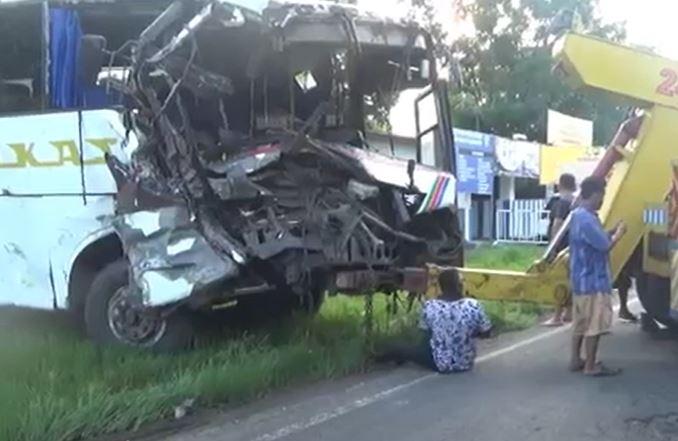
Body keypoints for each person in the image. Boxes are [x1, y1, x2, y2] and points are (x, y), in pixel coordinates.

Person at [377, 269, 492, 373]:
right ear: (460, 285)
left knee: (401, 348)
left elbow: (424, 334)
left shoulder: (430, 306)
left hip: (439, 363)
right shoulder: (473, 305)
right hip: (465, 363)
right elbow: (486, 333)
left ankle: (378, 359)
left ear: (440, 286)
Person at [569, 176, 626, 376]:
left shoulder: (578, 215)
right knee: (594, 325)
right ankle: (591, 366)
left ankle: (576, 360)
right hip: (594, 281)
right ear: (595, 194)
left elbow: (595, 238)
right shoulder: (588, 219)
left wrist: (609, 231)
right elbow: (604, 246)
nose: (603, 200)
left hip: (579, 281)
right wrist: (619, 234)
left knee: (580, 323)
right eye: (602, 195)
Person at [542, 173, 577, 327]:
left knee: (558, 280)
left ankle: (557, 316)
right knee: (569, 279)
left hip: (561, 246)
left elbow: (557, 224)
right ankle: (569, 312)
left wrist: (552, 246)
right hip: (572, 245)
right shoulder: (575, 201)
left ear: (560, 184)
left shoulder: (561, 202)